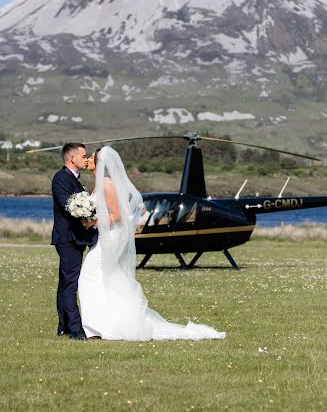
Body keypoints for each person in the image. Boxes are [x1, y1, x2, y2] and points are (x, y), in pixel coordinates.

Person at [78, 146, 225, 341]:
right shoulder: (99, 184)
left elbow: (118, 215)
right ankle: (100, 324)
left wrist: (93, 221)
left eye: (91, 157)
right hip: (104, 236)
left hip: (110, 237)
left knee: (90, 275)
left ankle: (101, 325)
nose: (87, 159)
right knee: (103, 277)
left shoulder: (107, 184)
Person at [51, 143, 98, 339]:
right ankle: (76, 330)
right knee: (70, 284)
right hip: (68, 238)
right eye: (83, 155)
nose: (86, 159)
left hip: (75, 238)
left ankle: (64, 327)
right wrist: (87, 218)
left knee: (65, 284)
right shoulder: (61, 178)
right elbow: (68, 206)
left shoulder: (76, 180)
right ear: (72, 158)